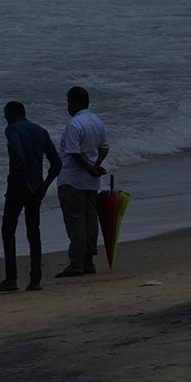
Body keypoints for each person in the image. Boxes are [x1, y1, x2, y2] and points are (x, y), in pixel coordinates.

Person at [0, 101, 60, 292]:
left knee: (8, 230)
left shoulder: (12, 129)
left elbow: (19, 156)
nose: (5, 117)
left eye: (6, 114)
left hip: (19, 185)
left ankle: (11, 279)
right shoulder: (40, 130)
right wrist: (44, 185)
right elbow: (56, 164)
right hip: (37, 186)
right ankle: (35, 279)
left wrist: (22, 181)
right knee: (33, 231)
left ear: (12, 113)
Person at [55, 86, 109, 278]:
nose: (68, 106)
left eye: (69, 102)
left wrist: (89, 167)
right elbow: (104, 147)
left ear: (74, 102)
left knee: (75, 221)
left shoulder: (74, 123)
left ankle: (76, 263)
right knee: (90, 220)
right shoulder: (97, 121)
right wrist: (96, 165)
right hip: (91, 181)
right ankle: (88, 262)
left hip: (73, 179)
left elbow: (74, 152)